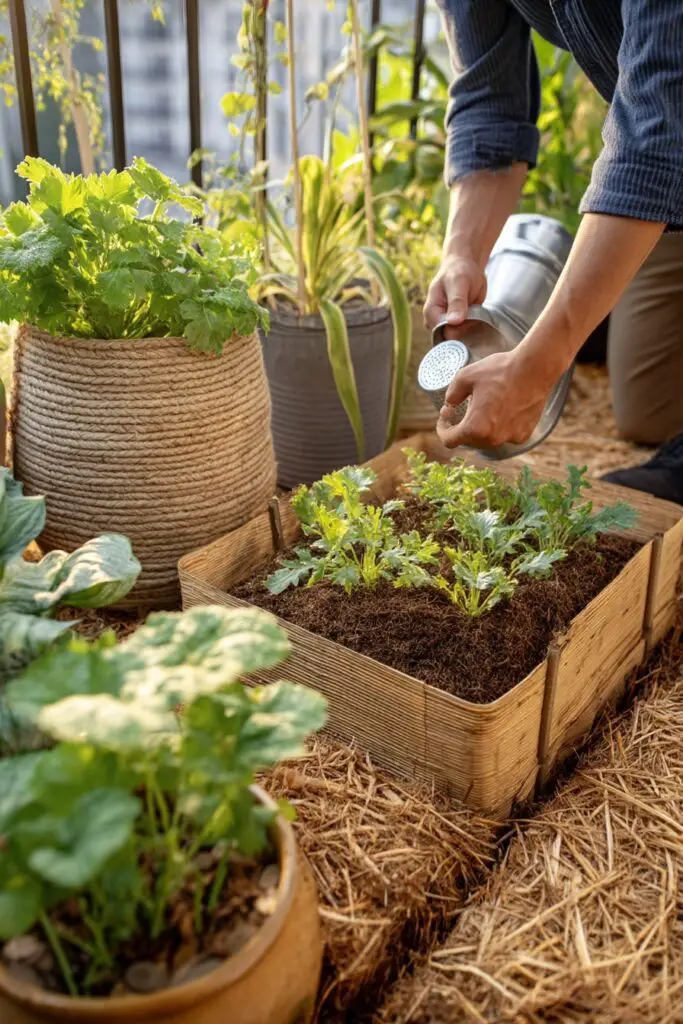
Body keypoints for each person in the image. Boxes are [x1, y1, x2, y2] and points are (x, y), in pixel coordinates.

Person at [425, 1, 683, 506]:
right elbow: (487, 97)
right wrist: (462, 253)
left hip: (669, 138)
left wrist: (539, 365)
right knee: (648, 409)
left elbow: (656, 139)